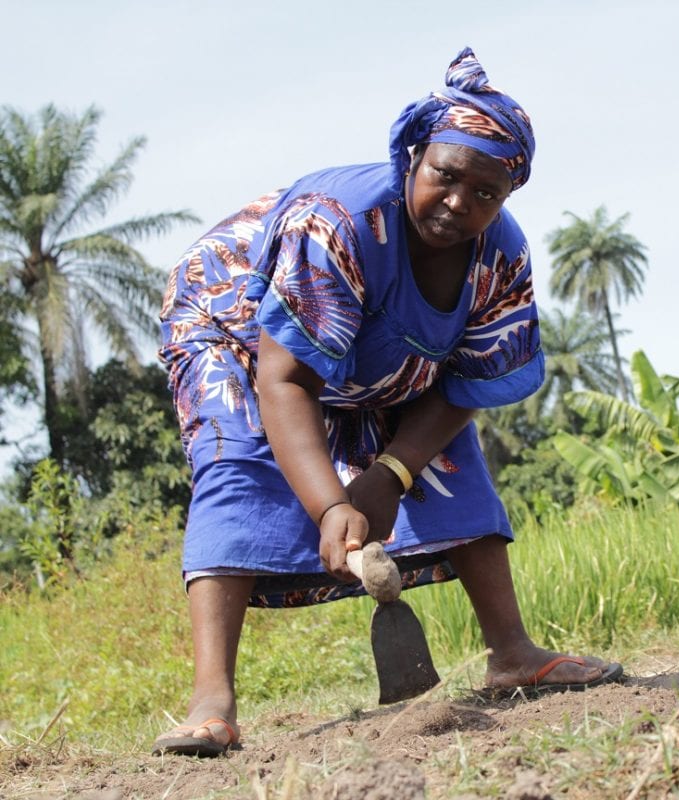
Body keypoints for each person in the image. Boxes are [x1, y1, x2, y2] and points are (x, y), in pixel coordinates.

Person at [153, 47, 621, 758]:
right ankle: (212, 701)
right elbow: (286, 382)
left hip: (377, 341)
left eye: (486, 193)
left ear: (507, 198)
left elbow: (465, 384)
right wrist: (333, 506)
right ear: (412, 160)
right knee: (238, 457)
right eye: (445, 176)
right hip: (233, 322)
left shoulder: (500, 258)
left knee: (439, 442)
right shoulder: (336, 225)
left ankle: (513, 654)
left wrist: (389, 473)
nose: (460, 202)